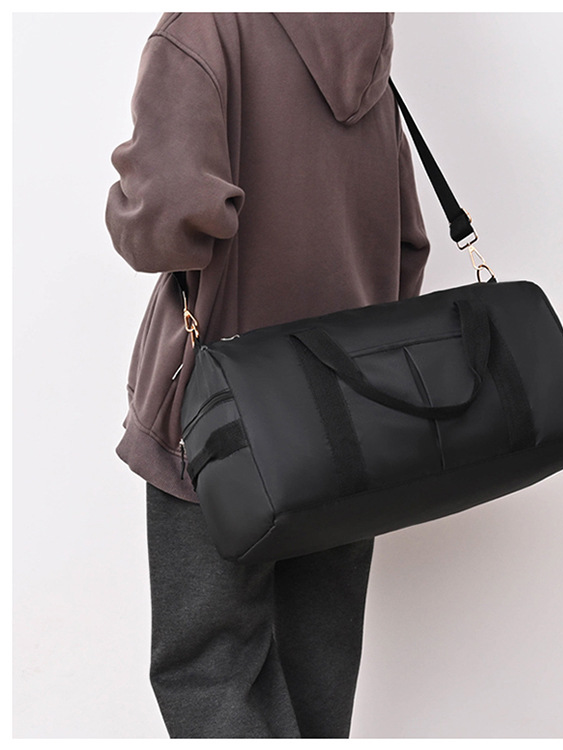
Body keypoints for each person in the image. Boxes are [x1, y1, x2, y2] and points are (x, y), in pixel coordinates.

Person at [104, 12, 430, 739]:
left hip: (221, 419)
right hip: (352, 419)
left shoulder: (204, 29)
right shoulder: (366, 44)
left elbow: (164, 222)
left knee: (209, 668)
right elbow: (408, 244)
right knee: (317, 669)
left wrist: (126, 203)